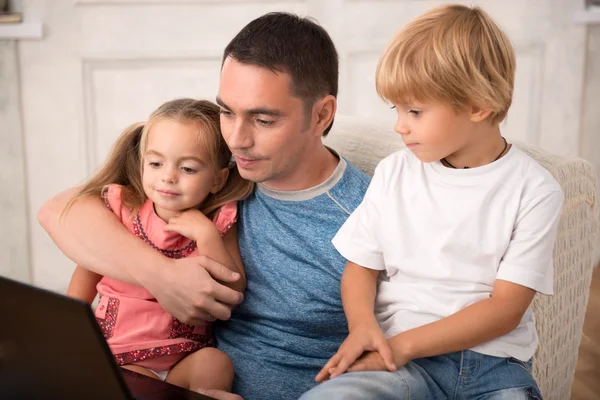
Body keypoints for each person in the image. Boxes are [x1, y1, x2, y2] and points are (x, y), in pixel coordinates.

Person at [37, 12, 371, 400]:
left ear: (322, 115)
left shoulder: (369, 213)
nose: (237, 139)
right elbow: (59, 211)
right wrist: (162, 276)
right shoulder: (205, 174)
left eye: (263, 120)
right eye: (227, 112)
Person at [300, 4, 564, 400]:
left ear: (478, 105)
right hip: (401, 365)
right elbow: (360, 269)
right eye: (398, 109)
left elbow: (505, 309)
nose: (399, 125)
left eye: (416, 111)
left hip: (493, 370)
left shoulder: (536, 190)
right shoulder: (395, 173)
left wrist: (403, 345)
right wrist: (362, 327)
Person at [62, 98, 253, 393]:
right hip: (122, 355)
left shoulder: (217, 221)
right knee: (141, 385)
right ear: (141, 165)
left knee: (216, 363)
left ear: (217, 179)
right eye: (155, 163)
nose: (168, 177)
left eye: (188, 169)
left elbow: (233, 290)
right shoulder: (122, 208)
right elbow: (89, 267)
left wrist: (207, 236)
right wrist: (69, 331)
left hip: (184, 358)